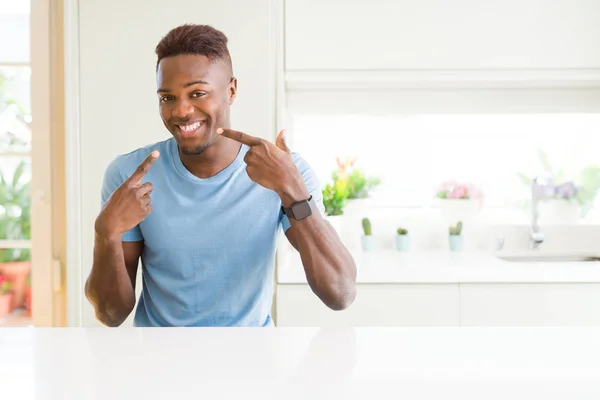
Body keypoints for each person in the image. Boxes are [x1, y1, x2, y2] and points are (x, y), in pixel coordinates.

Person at [84, 24, 357, 327]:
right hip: (158, 363)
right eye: (167, 98)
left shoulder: (284, 171)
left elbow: (340, 293)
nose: (181, 111)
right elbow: (111, 314)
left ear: (231, 90)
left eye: (197, 93)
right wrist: (105, 233)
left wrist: (293, 191)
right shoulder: (128, 176)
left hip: (251, 360)